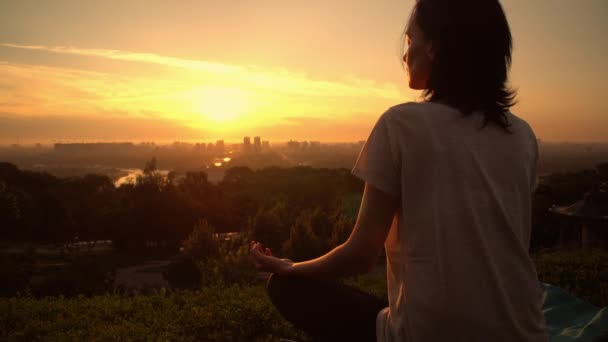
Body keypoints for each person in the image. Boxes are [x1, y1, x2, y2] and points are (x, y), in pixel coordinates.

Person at [250, 0, 548, 341]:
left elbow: (361, 256)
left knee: (286, 288)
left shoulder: (400, 125)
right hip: (525, 332)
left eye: (410, 41)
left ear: (435, 46)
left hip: (427, 334)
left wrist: (291, 267)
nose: (405, 54)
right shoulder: (523, 135)